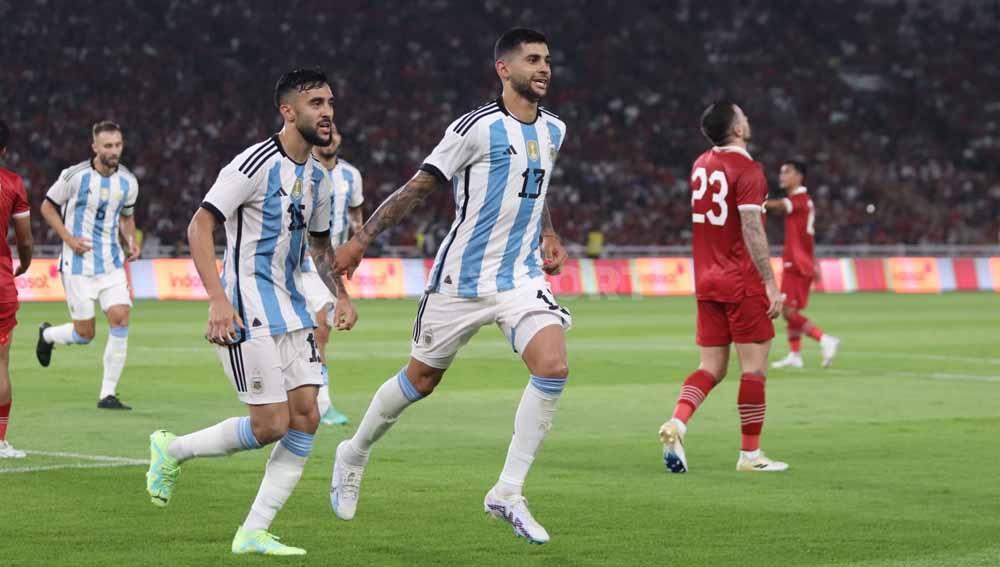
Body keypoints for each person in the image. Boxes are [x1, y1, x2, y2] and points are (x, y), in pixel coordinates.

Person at [330, 28, 570, 545]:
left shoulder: (554, 130)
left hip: (520, 277)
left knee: (552, 367)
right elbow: (418, 189)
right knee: (420, 382)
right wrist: (362, 238)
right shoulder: (474, 129)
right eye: (532, 60)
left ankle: (507, 491)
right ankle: (354, 451)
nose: (544, 68)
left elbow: (538, 183)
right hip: (460, 281)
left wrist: (548, 231)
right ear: (504, 70)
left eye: (547, 60)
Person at [144, 68, 357, 556]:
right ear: (288, 111)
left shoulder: (320, 179)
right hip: (246, 311)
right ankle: (171, 450)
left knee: (306, 418)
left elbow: (321, 245)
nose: (326, 112)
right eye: (315, 104)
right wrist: (218, 300)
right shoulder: (253, 163)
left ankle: (252, 531)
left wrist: (340, 294)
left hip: (294, 311)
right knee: (270, 426)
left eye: (329, 102)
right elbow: (200, 225)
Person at [659, 101, 790, 474]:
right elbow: (751, 228)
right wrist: (769, 280)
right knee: (754, 369)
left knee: (711, 367)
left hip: (706, 278)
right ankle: (750, 455)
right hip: (741, 280)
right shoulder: (748, 170)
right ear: (736, 129)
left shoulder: (701, 164)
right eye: (742, 115)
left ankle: (677, 423)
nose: (747, 118)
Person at [37, 121, 140, 410]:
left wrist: (130, 240)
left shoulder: (128, 182)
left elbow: (127, 216)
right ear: (95, 147)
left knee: (120, 317)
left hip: (111, 263)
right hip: (78, 264)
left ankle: (108, 394)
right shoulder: (75, 176)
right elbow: (47, 205)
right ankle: (47, 335)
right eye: (108, 146)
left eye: (118, 145)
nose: (114, 151)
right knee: (85, 334)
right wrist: (68, 238)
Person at [299, 122, 363, 425]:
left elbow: (355, 213)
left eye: (335, 133)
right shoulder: (302, 170)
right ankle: (312, 403)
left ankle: (320, 404)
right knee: (308, 332)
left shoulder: (351, 176)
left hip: (328, 264)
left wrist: (358, 242)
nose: (330, 138)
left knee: (319, 333)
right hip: (298, 261)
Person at [765, 161, 840, 368]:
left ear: (799, 176)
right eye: (781, 172)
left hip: (796, 263)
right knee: (791, 311)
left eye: (786, 172)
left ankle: (825, 339)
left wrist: (754, 202)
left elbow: (779, 205)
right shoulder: (804, 201)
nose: (781, 176)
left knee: (787, 312)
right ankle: (795, 355)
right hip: (802, 261)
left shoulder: (799, 199)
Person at [0, 119, 33, 458]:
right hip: (0, 283)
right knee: (0, 363)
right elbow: (24, 239)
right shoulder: (12, 183)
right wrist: (24, 263)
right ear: (4, 149)